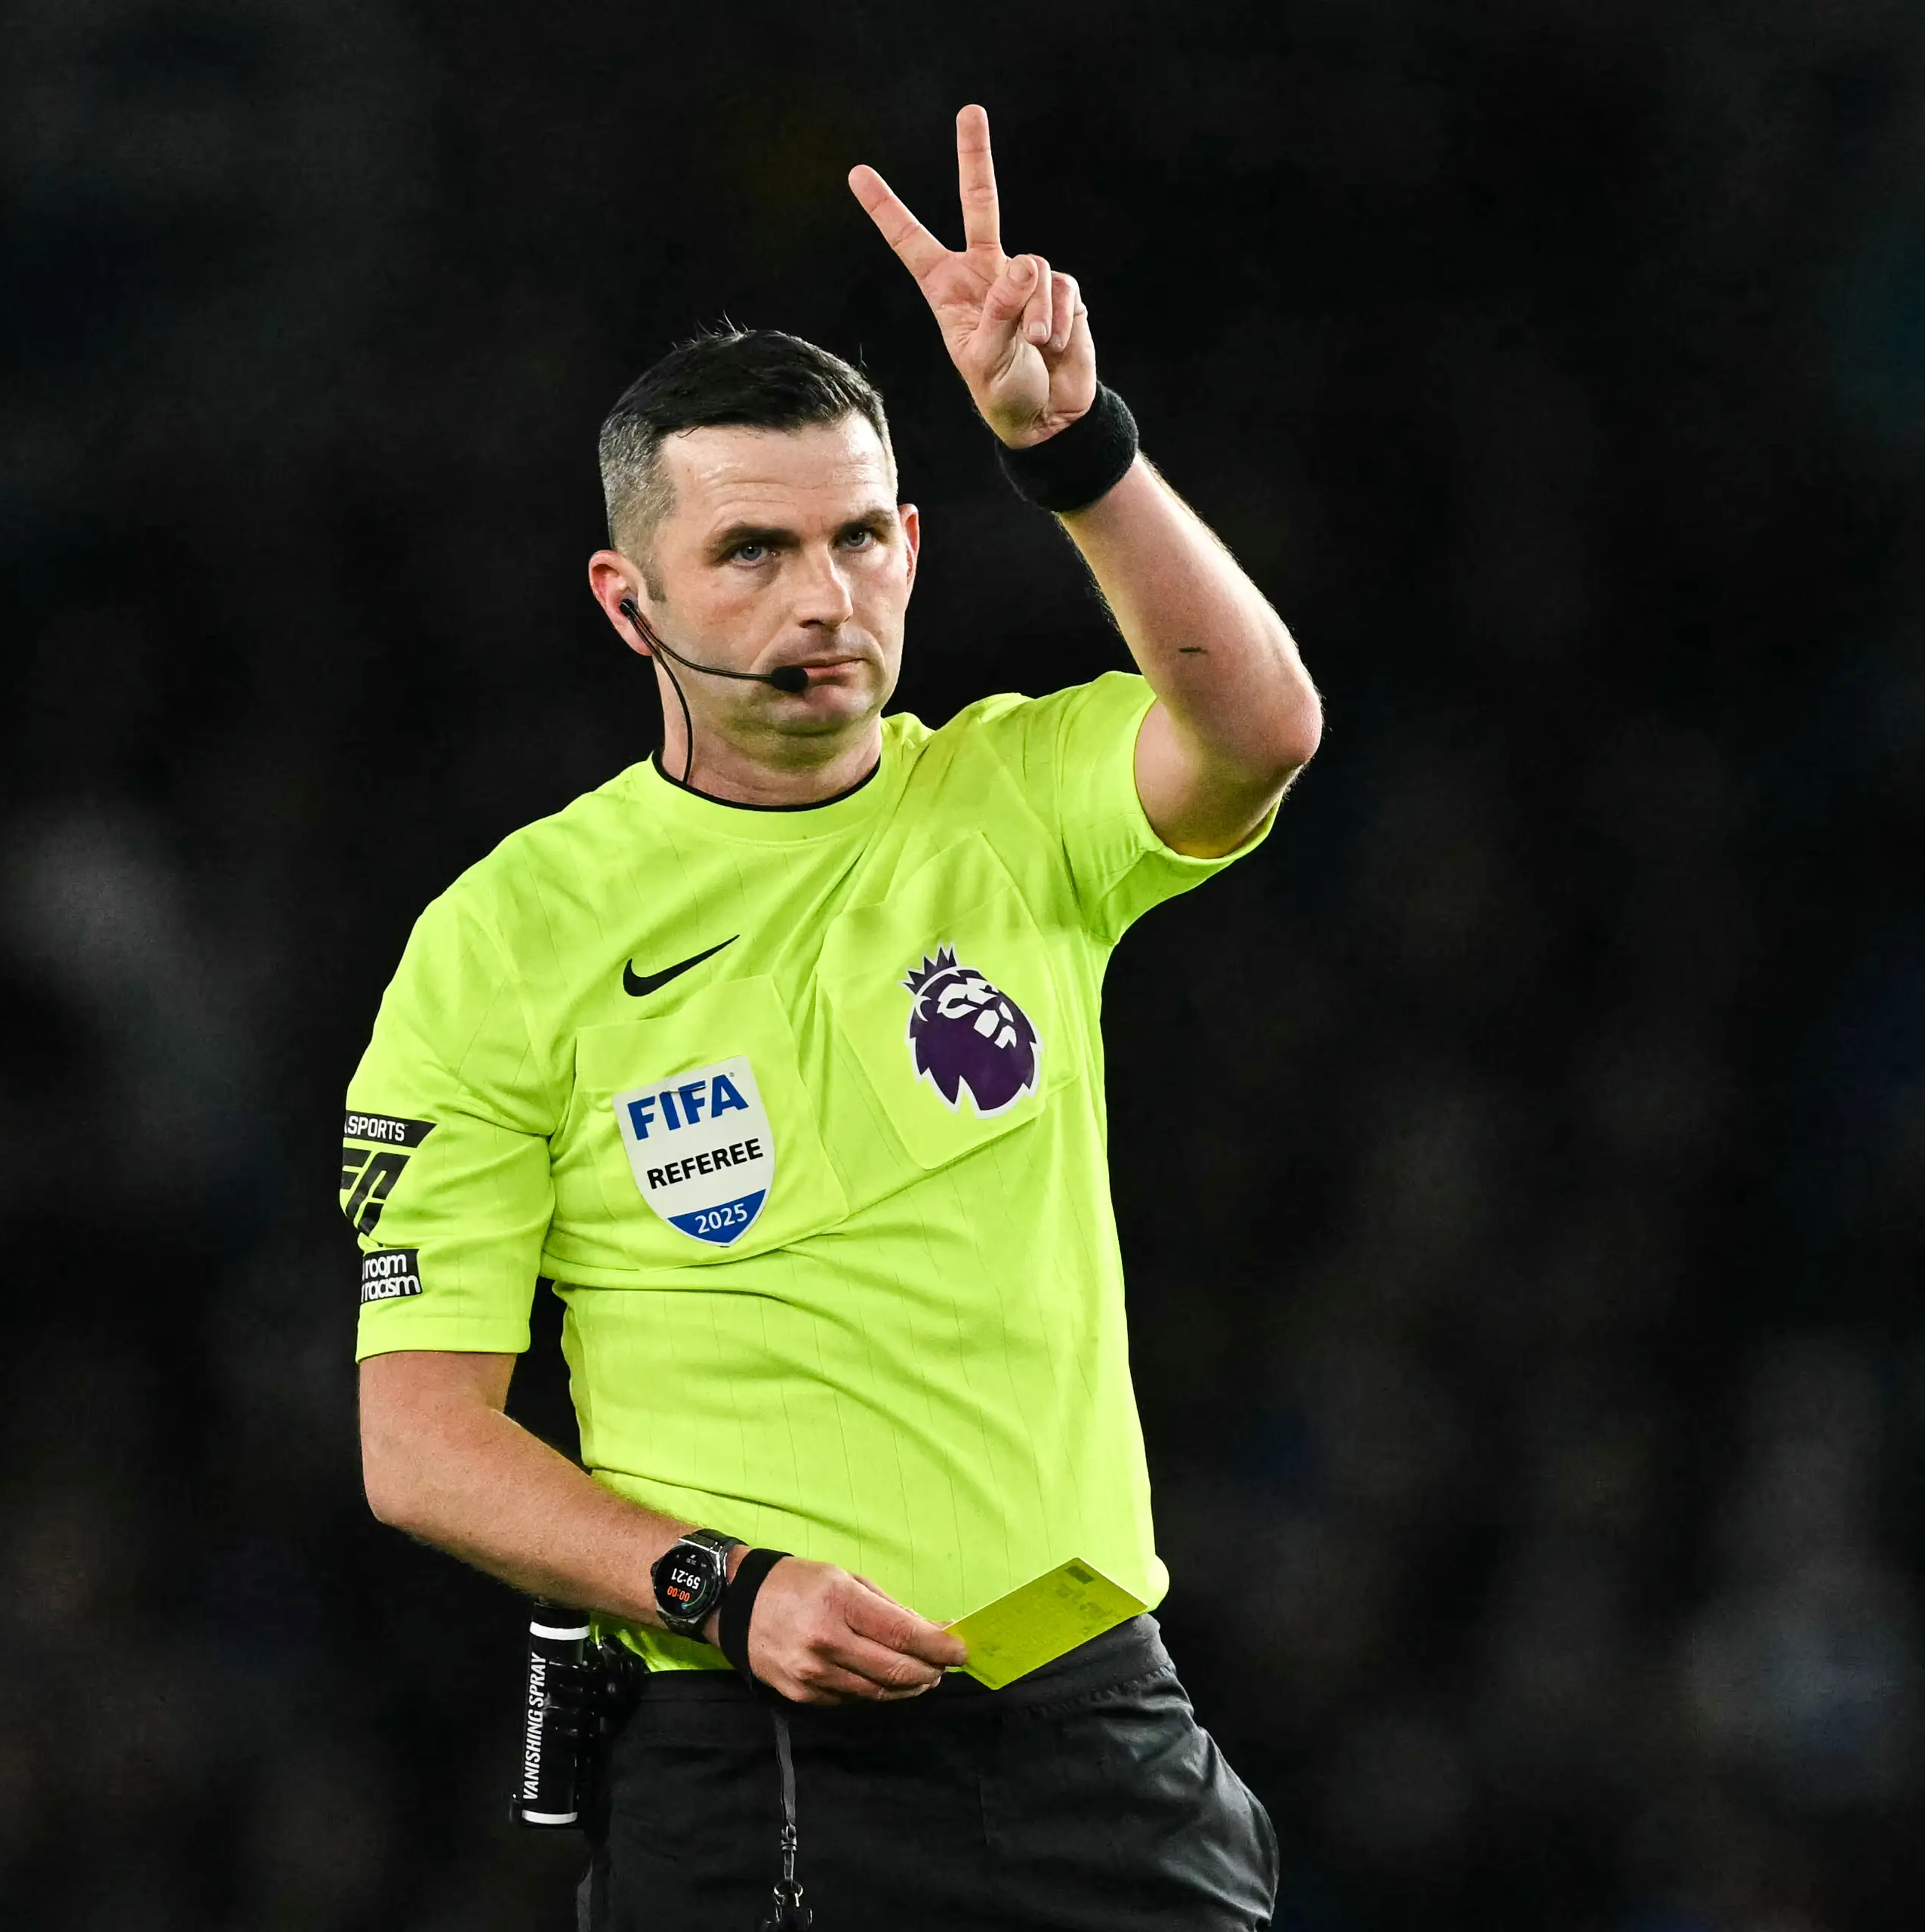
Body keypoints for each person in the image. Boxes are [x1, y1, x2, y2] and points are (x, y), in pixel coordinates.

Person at [344, 105, 1319, 1929]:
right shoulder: (507, 940)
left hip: (1101, 1725)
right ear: (628, 602)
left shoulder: (1017, 797)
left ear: (916, 547)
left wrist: (1075, 448)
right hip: (759, 1756)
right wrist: (725, 1585)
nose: (823, 597)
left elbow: (1259, 730)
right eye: (754, 554)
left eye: (861, 538)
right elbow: (421, 1442)